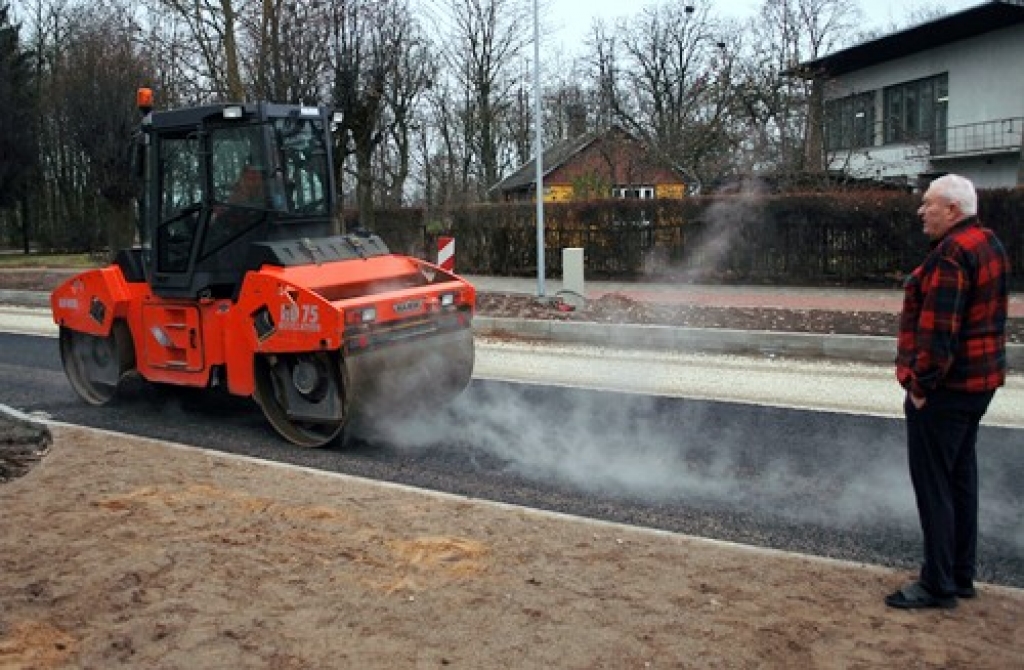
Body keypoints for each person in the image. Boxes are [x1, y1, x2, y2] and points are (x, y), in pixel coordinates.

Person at [886, 174, 1010, 610]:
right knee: (960, 478)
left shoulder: (951, 255)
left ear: (952, 210)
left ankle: (937, 584)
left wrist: (919, 386)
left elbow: (940, 332)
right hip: (980, 384)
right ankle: (960, 574)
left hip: (946, 390)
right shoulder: (989, 243)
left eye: (929, 204)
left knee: (934, 484)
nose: (922, 211)